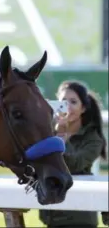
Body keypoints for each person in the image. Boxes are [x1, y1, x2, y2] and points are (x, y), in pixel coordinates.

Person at [39, 80, 107, 228]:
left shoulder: (93, 139)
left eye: (73, 102)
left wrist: (61, 138)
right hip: (52, 213)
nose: (67, 106)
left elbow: (74, 164)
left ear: (83, 108)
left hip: (80, 215)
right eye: (63, 101)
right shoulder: (48, 132)